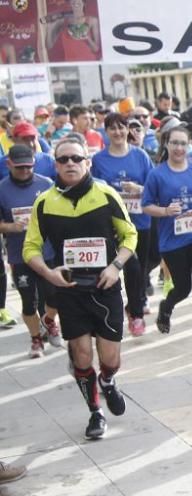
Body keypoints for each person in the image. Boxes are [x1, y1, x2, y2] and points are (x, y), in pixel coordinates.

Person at [23, 134, 137, 440]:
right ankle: (95, 412)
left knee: (110, 358)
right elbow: (29, 248)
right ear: (56, 165)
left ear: (87, 162)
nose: (70, 164)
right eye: (63, 159)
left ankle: (109, 381)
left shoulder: (105, 194)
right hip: (70, 290)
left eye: (76, 158)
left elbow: (130, 236)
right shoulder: (44, 202)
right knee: (83, 356)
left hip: (105, 287)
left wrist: (115, 267)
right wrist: (49, 274)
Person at [142, 124, 192, 353]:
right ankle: (166, 306)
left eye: (183, 143)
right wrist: (165, 211)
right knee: (183, 288)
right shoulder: (157, 174)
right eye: (174, 143)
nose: (178, 148)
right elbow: (145, 206)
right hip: (172, 240)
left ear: (189, 145)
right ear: (166, 144)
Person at [92, 112, 155, 337]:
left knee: (141, 269)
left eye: (122, 128)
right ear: (106, 132)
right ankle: (136, 315)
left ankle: (134, 305)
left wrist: (139, 190)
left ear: (128, 130)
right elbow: (93, 189)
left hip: (141, 220)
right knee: (131, 266)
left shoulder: (140, 156)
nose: (118, 133)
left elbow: (153, 186)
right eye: (112, 129)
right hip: (114, 225)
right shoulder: (99, 160)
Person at [0, 145, 61, 358]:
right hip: (20, 253)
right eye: (20, 168)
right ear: (9, 164)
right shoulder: (2, 189)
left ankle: (50, 321)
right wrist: (10, 227)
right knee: (28, 301)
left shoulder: (46, 184)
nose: (25, 171)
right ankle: (36, 340)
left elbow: (58, 214)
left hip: (47, 252)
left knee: (54, 297)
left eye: (29, 167)